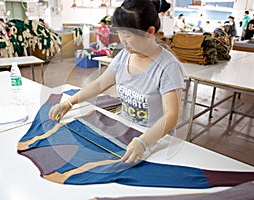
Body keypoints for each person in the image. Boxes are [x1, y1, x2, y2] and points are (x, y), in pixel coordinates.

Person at [49, 0, 184, 163]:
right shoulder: (124, 56)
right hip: (125, 132)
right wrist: (69, 102)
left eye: (128, 35)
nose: (123, 41)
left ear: (149, 32)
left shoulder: (168, 66)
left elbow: (171, 115)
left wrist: (143, 141)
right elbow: (99, 84)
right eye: (120, 34)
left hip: (154, 138)